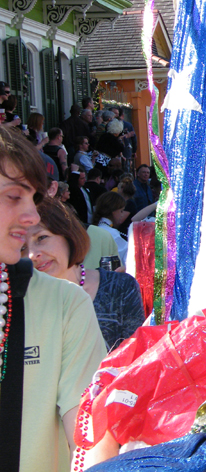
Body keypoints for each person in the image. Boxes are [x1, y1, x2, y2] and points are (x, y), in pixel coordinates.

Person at [0, 125, 107, 471]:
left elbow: (90, 431)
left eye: (33, 198)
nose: (31, 216)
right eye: (14, 196)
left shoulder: (65, 304)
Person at [28, 197, 143, 352]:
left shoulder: (119, 288)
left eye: (41, 238)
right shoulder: (19, 301)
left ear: (67, 234)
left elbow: (135, 360)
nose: (32, 254)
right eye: (22, 248)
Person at [91, 191, 130, 264]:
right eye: (121, 211)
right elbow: (127, 258)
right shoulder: (113, 234)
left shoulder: (95, 228)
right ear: (114, 211)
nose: (122, 214)